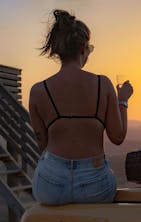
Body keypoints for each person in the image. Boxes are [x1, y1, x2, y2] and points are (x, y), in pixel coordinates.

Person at [29, 9, 133, 205]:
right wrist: (123, 101)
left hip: (51, 185)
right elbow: (118, 137)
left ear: (58, 52)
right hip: (95, 185)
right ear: (84, 49)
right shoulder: (103, 84)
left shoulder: (38, 91)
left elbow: (42, 145)